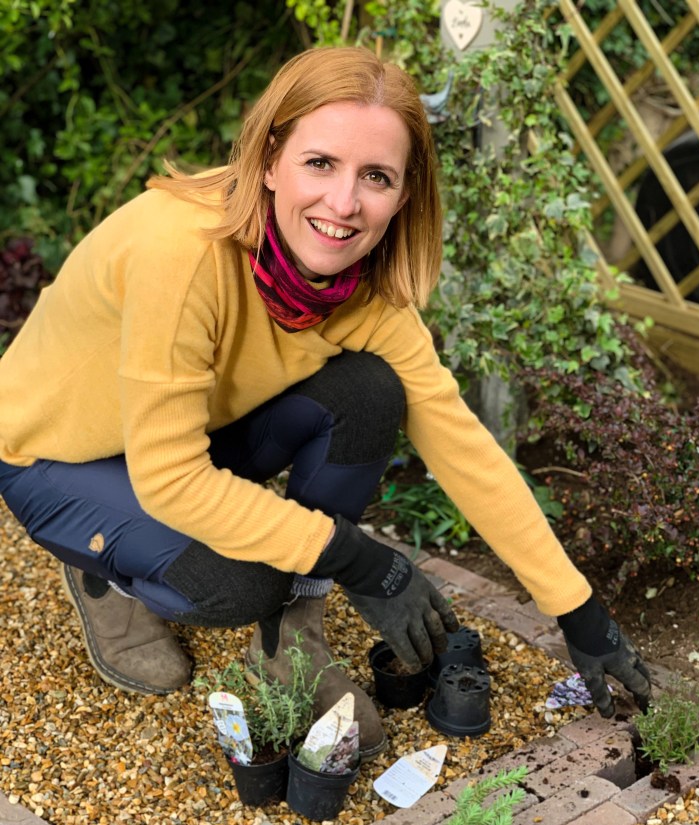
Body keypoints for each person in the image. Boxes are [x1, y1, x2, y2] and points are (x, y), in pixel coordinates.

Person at [0, 46, 651, 759]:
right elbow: (171, 477)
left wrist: (579, 611)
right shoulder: (179, 255)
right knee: (243, 581)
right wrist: (360, 560)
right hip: (56, 453)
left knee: (371, 391)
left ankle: (290, 647)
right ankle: (103, 575)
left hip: (177, 438)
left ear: (405, 194)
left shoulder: (366, 298)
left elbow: (464, 449)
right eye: (321, 163)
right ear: (271, 158)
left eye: (376, 176)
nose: (344, 204)